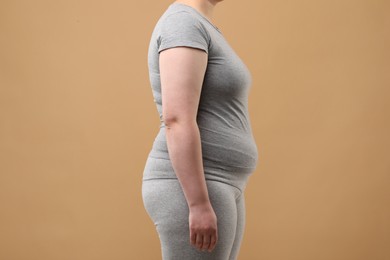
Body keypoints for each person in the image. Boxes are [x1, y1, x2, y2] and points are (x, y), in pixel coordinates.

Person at [142, 0, 259, 259]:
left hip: (222, 182)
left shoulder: (199, 24)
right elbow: (177, 119)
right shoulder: (182, 24)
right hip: (196, 185)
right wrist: (197, 202)